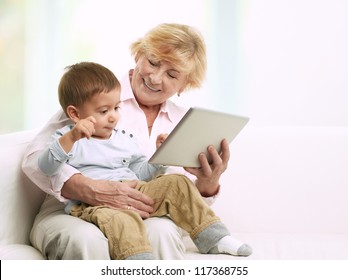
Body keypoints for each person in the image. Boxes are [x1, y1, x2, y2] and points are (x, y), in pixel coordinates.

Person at [22, 23, 245, 260]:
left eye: (171, 74)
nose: (155, 77)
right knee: (85, 239)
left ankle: (213, 239)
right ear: (139, 54)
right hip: (72, 208)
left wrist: (208, 182)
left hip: (147, 209)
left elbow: (181, 199)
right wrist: (86, 187)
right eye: (153, 62)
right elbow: (35, 159)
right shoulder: (97, 97)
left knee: (162, 231)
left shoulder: (184, 122)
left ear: (185, 84)